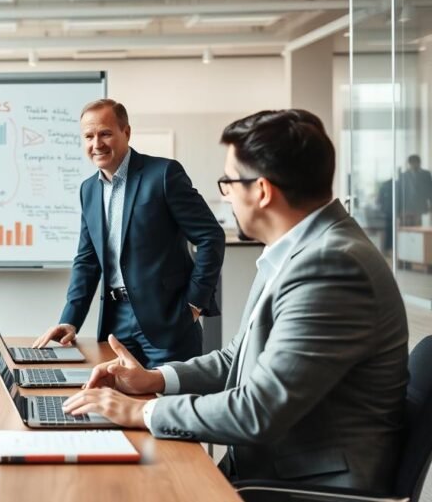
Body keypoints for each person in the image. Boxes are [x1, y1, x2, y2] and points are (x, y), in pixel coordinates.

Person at [62, 109, 409, 491]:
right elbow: (236, 359)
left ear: (261, 191)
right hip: (269, 466)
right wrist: (154, 379)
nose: (225, 197)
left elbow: (256, 409)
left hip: (302, 486)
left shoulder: (331, 266)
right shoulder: (295, 251)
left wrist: (143, 410)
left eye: (228, 182)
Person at [33, 98, 225, 367]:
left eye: (105, 133)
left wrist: (194, 304)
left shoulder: (163, 174)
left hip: (168, 321)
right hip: (115, 324)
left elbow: (211, 236)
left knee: (168, 405)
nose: (96, 144)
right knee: (121, 405)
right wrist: (70, 320)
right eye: (88, 136)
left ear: (126, 132)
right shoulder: (89, 190)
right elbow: (87, 261)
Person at [400, 154, 432, 226]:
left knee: (421, 224)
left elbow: (430, 190)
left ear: (419, 163)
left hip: (421, 204)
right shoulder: (404, 175)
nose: (414, 165)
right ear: (409, 163)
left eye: (416, 162)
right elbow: (401, 192)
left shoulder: (426, 174)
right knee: (408, 225)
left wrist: (430, 204)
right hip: (407, 205)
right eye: (412, 163)